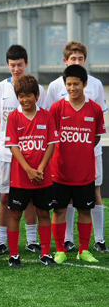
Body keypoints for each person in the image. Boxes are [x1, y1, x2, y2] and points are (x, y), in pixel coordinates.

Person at [45, 41, 108, 254]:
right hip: (60, 170)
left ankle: (86, 249)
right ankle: (62, 249)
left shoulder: (95, 108)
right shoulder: (56, 106)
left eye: (77, 85)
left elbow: (96, 137)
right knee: (60, 209)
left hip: (85, 169)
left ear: (84, 84)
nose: (72, 88)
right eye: (69, 85)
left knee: (85, 208)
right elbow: (50, 136)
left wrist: (81, 147)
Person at [0, 45, 46, 257]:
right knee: (4, 197)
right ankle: (1, 242)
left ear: (26, 64)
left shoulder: (38, 89)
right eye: (12, 65)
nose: (16, 69)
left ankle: (32, 240)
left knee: (30, 198)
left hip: (32, 154)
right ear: (8, 65)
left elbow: (44, 118)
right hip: (5, 154)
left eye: (19, 65)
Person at [5, 75, 59, 267]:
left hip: (43, 177)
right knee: (15, 214)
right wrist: (28, 170)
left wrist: (41, 169)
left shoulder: (46, 115)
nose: (25, 99)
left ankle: (45, 253)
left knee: (44, 213)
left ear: (37, 96)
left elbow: (51, 144)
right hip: (20, 177)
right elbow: (13, 146)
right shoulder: (13, 117)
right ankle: (13, 255)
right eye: (21, 96)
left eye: (28, 95)